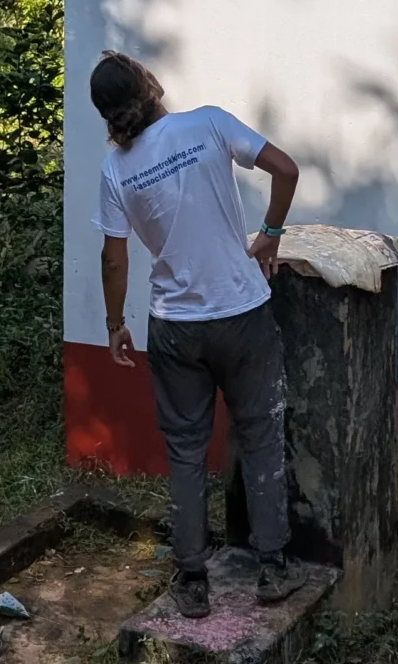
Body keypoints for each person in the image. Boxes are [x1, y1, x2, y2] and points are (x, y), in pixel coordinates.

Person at [90, 50, 300, 616]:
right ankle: (273, 568)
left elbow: (114, 259)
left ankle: (191, 581)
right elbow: (286, 169)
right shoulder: (207, 122)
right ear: (152, 85)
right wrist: (271, 234)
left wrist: (115, 325)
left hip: (174, 329)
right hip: (243, 314)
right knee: (260, 439)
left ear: (107, 116)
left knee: (185, 453)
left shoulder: (116, 170)